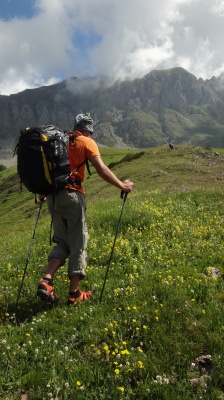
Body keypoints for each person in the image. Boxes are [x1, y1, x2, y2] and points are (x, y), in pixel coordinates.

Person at [37, 113, 134, 305]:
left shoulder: (59, 141)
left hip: (53, 198)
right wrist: (122, 186)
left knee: (62, 242)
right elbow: (101, 169)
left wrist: (43, 193)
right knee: (78, 244)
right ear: (88, 129)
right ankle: (74, 294)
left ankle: (46, 281)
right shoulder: (85, 142)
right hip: (72, 196)